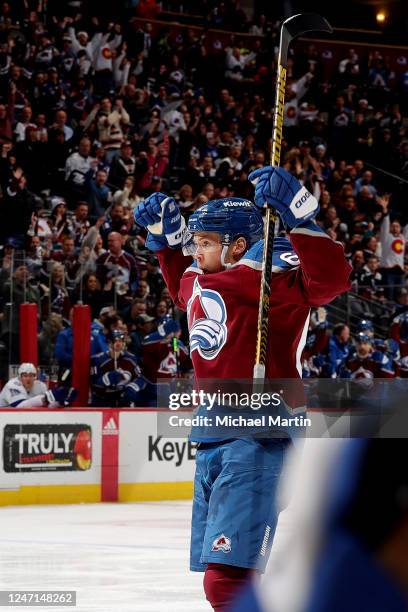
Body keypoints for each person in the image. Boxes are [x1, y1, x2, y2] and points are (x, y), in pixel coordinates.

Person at [134, 164, 351, 610]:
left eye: (205, 243)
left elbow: (330, 282)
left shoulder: (272, 275)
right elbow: (183, 289)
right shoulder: (198, 274)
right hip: (214, 432)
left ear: (237, 246)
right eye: (194, 242)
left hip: (260, 435)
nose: (195, 251)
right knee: (227, 577)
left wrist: (302, 219)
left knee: (226, 580)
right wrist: (165, 242)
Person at [90, 330, 147, 407]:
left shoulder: (131, 358)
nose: (119, 343)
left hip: (124, 400)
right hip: (103, 401)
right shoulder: (98, 360)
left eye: (121, 341)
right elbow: (93, 384)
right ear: (109, 343)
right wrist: (105, 379)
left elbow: (141, 378)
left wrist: (133, 387)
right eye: (116, 341)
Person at [0, 362, 76, 408]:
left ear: (35, 377)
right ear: (20, 377)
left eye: (31, 375)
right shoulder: (12, 385)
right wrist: (46, 398)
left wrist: (60, 402)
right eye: (25, 376)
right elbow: (19, 406)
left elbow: (48, 405)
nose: (28, 378)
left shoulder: (40, 386)